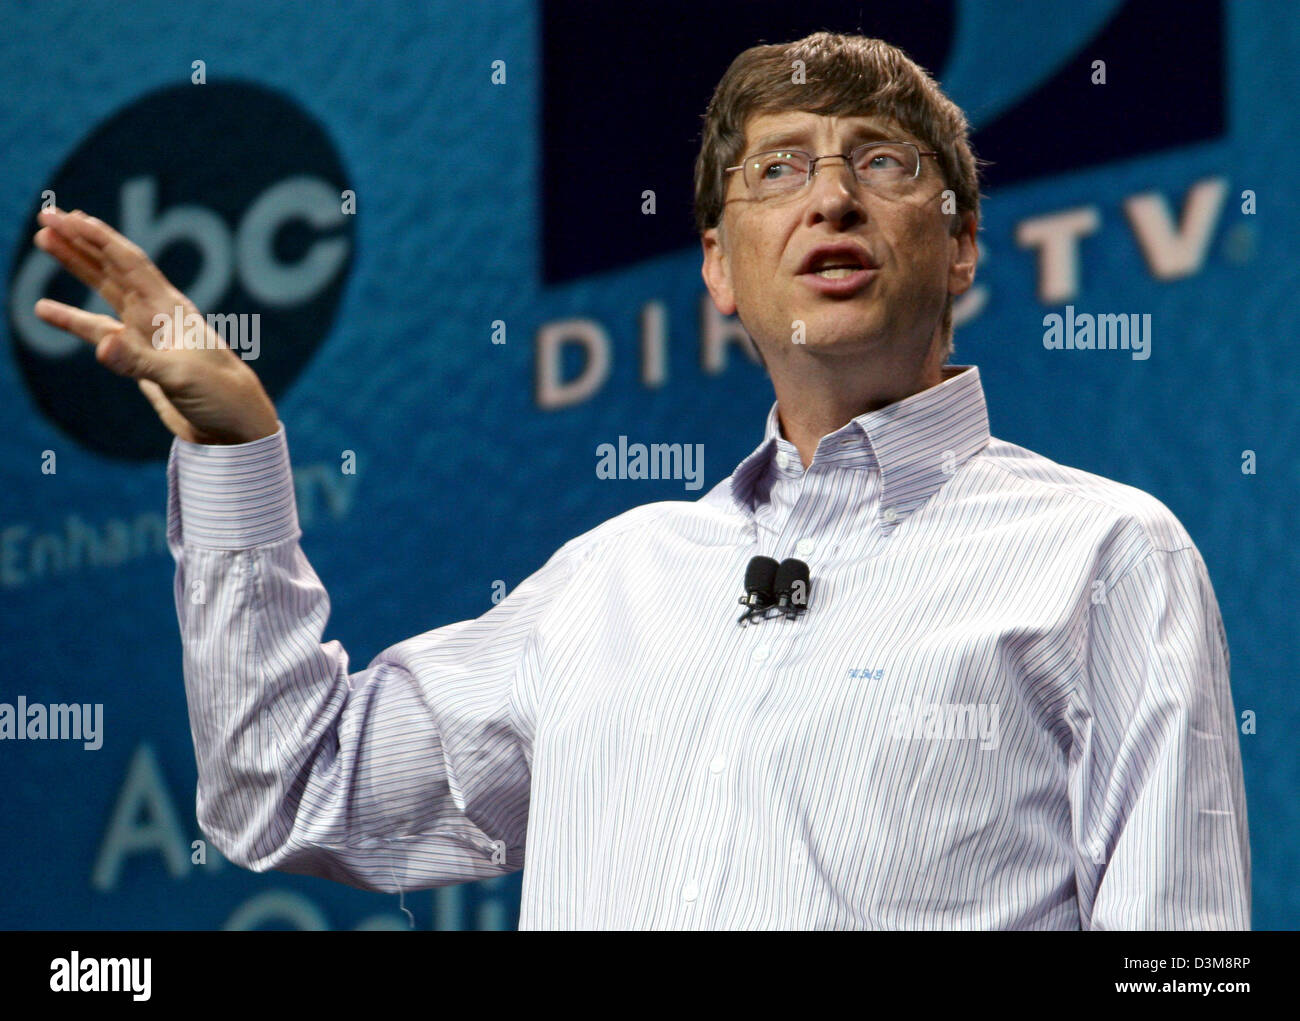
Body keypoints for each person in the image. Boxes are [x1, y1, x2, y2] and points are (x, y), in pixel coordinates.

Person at [32, 31, 1249, 930]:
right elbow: (282, 789)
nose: (828, 195)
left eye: (880, 163)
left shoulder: (1102, 555)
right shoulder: (606, 585)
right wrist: (238, 453)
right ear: (719, 268)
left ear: (963, 241)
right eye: (776, 170)